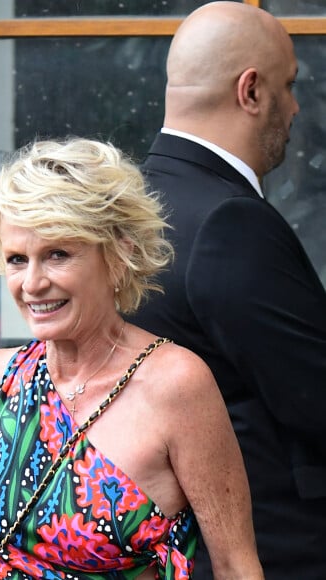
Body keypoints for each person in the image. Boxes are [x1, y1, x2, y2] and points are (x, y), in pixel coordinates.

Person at [0, 137, 263, 579]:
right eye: (16, 259)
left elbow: (236, 566)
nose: (32, 283)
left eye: (57, 254)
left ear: (119, 253)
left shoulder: (175, 385)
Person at [127, 2, 326, 579]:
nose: (294, 106)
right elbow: (314, 397)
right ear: (251, 91)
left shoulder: (128, 208)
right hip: (273, 553)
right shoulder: (228, 222)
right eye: (289, 86)